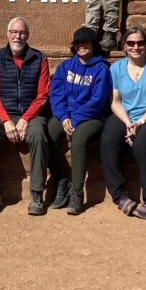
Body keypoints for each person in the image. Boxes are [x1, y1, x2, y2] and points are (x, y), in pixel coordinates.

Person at [0, 16, 54, 216]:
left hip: (31, 114)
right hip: (3, 112)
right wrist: (5, 121)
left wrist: (24, 119)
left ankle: (37, 193)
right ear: (8, 34)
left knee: (39, 136)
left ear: (27, 35)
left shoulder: (40, 58)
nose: (17, 36)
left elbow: (42, 96)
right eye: (14, 32)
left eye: (21, 32)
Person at [101, 27, 146, 219]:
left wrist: (139, 122)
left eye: (140, 42)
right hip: (125, 116)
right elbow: (115, 101)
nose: (136, 47)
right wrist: (127, 123)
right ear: (124, 46)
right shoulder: (116, 68)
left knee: (142, 144)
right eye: (131, 43)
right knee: (108, 140)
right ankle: (120, 197)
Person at [46, 27, 113, 215]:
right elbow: (56, 94)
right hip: (66, 115)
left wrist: (74, 119)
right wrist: (64, 116)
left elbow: (98, 100)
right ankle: (62, 181)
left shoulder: (101, 68)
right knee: (47, 134)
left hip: (93, 117)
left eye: (85, 42)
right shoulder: (66, 66)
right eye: (78, 43)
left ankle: (77, 192)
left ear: (93, 45)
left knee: (79, 140)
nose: (81, 46)